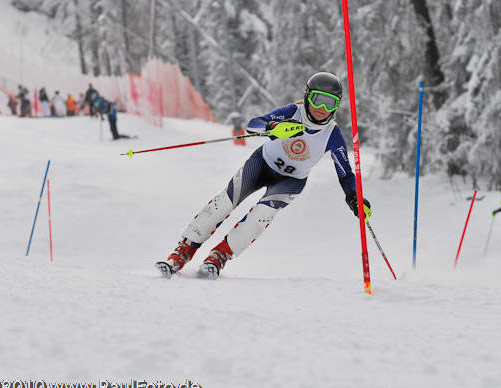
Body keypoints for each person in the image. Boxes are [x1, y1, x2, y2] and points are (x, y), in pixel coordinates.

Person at [155, 72, 370, 280]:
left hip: (291, 181)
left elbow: (345, 173)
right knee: (225, 202)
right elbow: (253, 125)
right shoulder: (292, 112)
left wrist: (354, 196)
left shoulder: (332, 134)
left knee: (261, 214)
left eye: (329, 103)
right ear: (307, 96)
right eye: (317, 100)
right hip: (261, 165)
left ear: (336, 106)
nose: (322, 108)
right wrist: (274, 127)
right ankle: (184, 249)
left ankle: (219, 255)